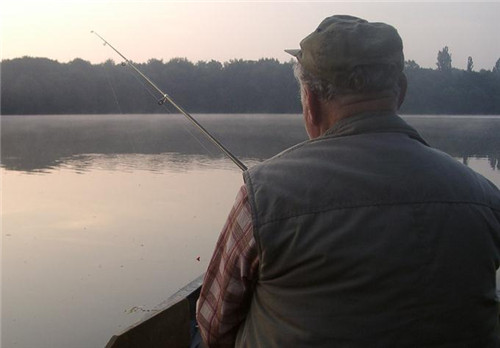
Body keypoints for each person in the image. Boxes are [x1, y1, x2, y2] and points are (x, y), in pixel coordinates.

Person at [196, 15, 500, 347]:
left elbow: (213, 327)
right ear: (401, 92)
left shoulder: (263, 195)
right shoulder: (484, 197)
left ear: (309, 101)